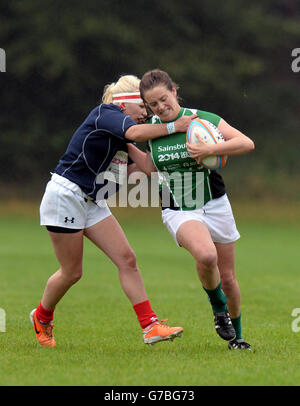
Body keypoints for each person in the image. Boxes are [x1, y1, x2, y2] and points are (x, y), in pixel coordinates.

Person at [30, 74, 198, 347]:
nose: (146, 113)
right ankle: (42, 317)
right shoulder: (105, 114)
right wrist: (175, 127)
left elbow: (146, 167)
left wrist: (177, 148)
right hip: (66, 196)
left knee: (127, 259)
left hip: (92, 202)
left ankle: (150, 326)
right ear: (125, 103)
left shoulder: (121, 135)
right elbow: (134, 133)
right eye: (142, 107)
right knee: (72, 272)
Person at [128, 69, 254, 350]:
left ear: (174, 90)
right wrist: (122, 148)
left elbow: (246, 143)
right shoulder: (153, 129)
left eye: (163, 99)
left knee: (230, 279)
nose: (161, 107)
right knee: (206, 255)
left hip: (215, 203)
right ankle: (219, 310)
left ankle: (238, 337)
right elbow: (150, 167)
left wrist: (211, 148)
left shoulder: (202, 119)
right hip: (179, 208)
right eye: (153, 105)